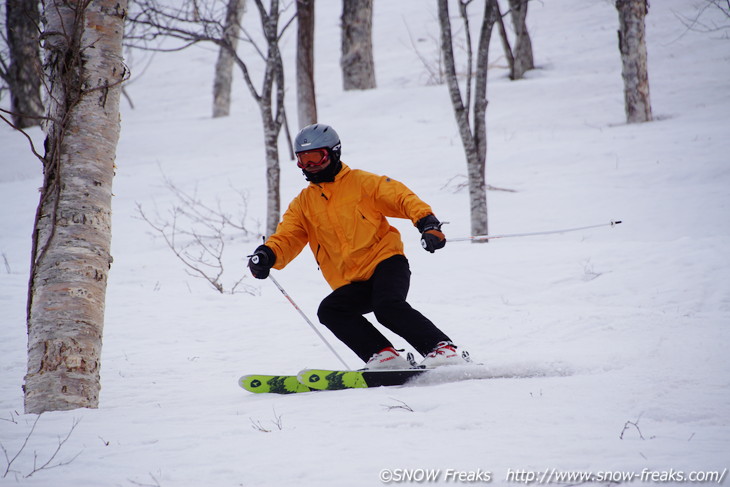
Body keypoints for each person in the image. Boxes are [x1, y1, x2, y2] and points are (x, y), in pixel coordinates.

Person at [247, 123, 465, 369]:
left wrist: (427, 223)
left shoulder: (362, 183)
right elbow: (288, 236)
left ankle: (441, 349)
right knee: (331, 310)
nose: (310, 166)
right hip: (351, 280)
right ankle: (384, 356)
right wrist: (268, 254)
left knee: (387, 307)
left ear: (334, 153)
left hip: (386, 262)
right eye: (303, 160)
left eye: (316, 158)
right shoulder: (303, 204)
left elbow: (401, 197)